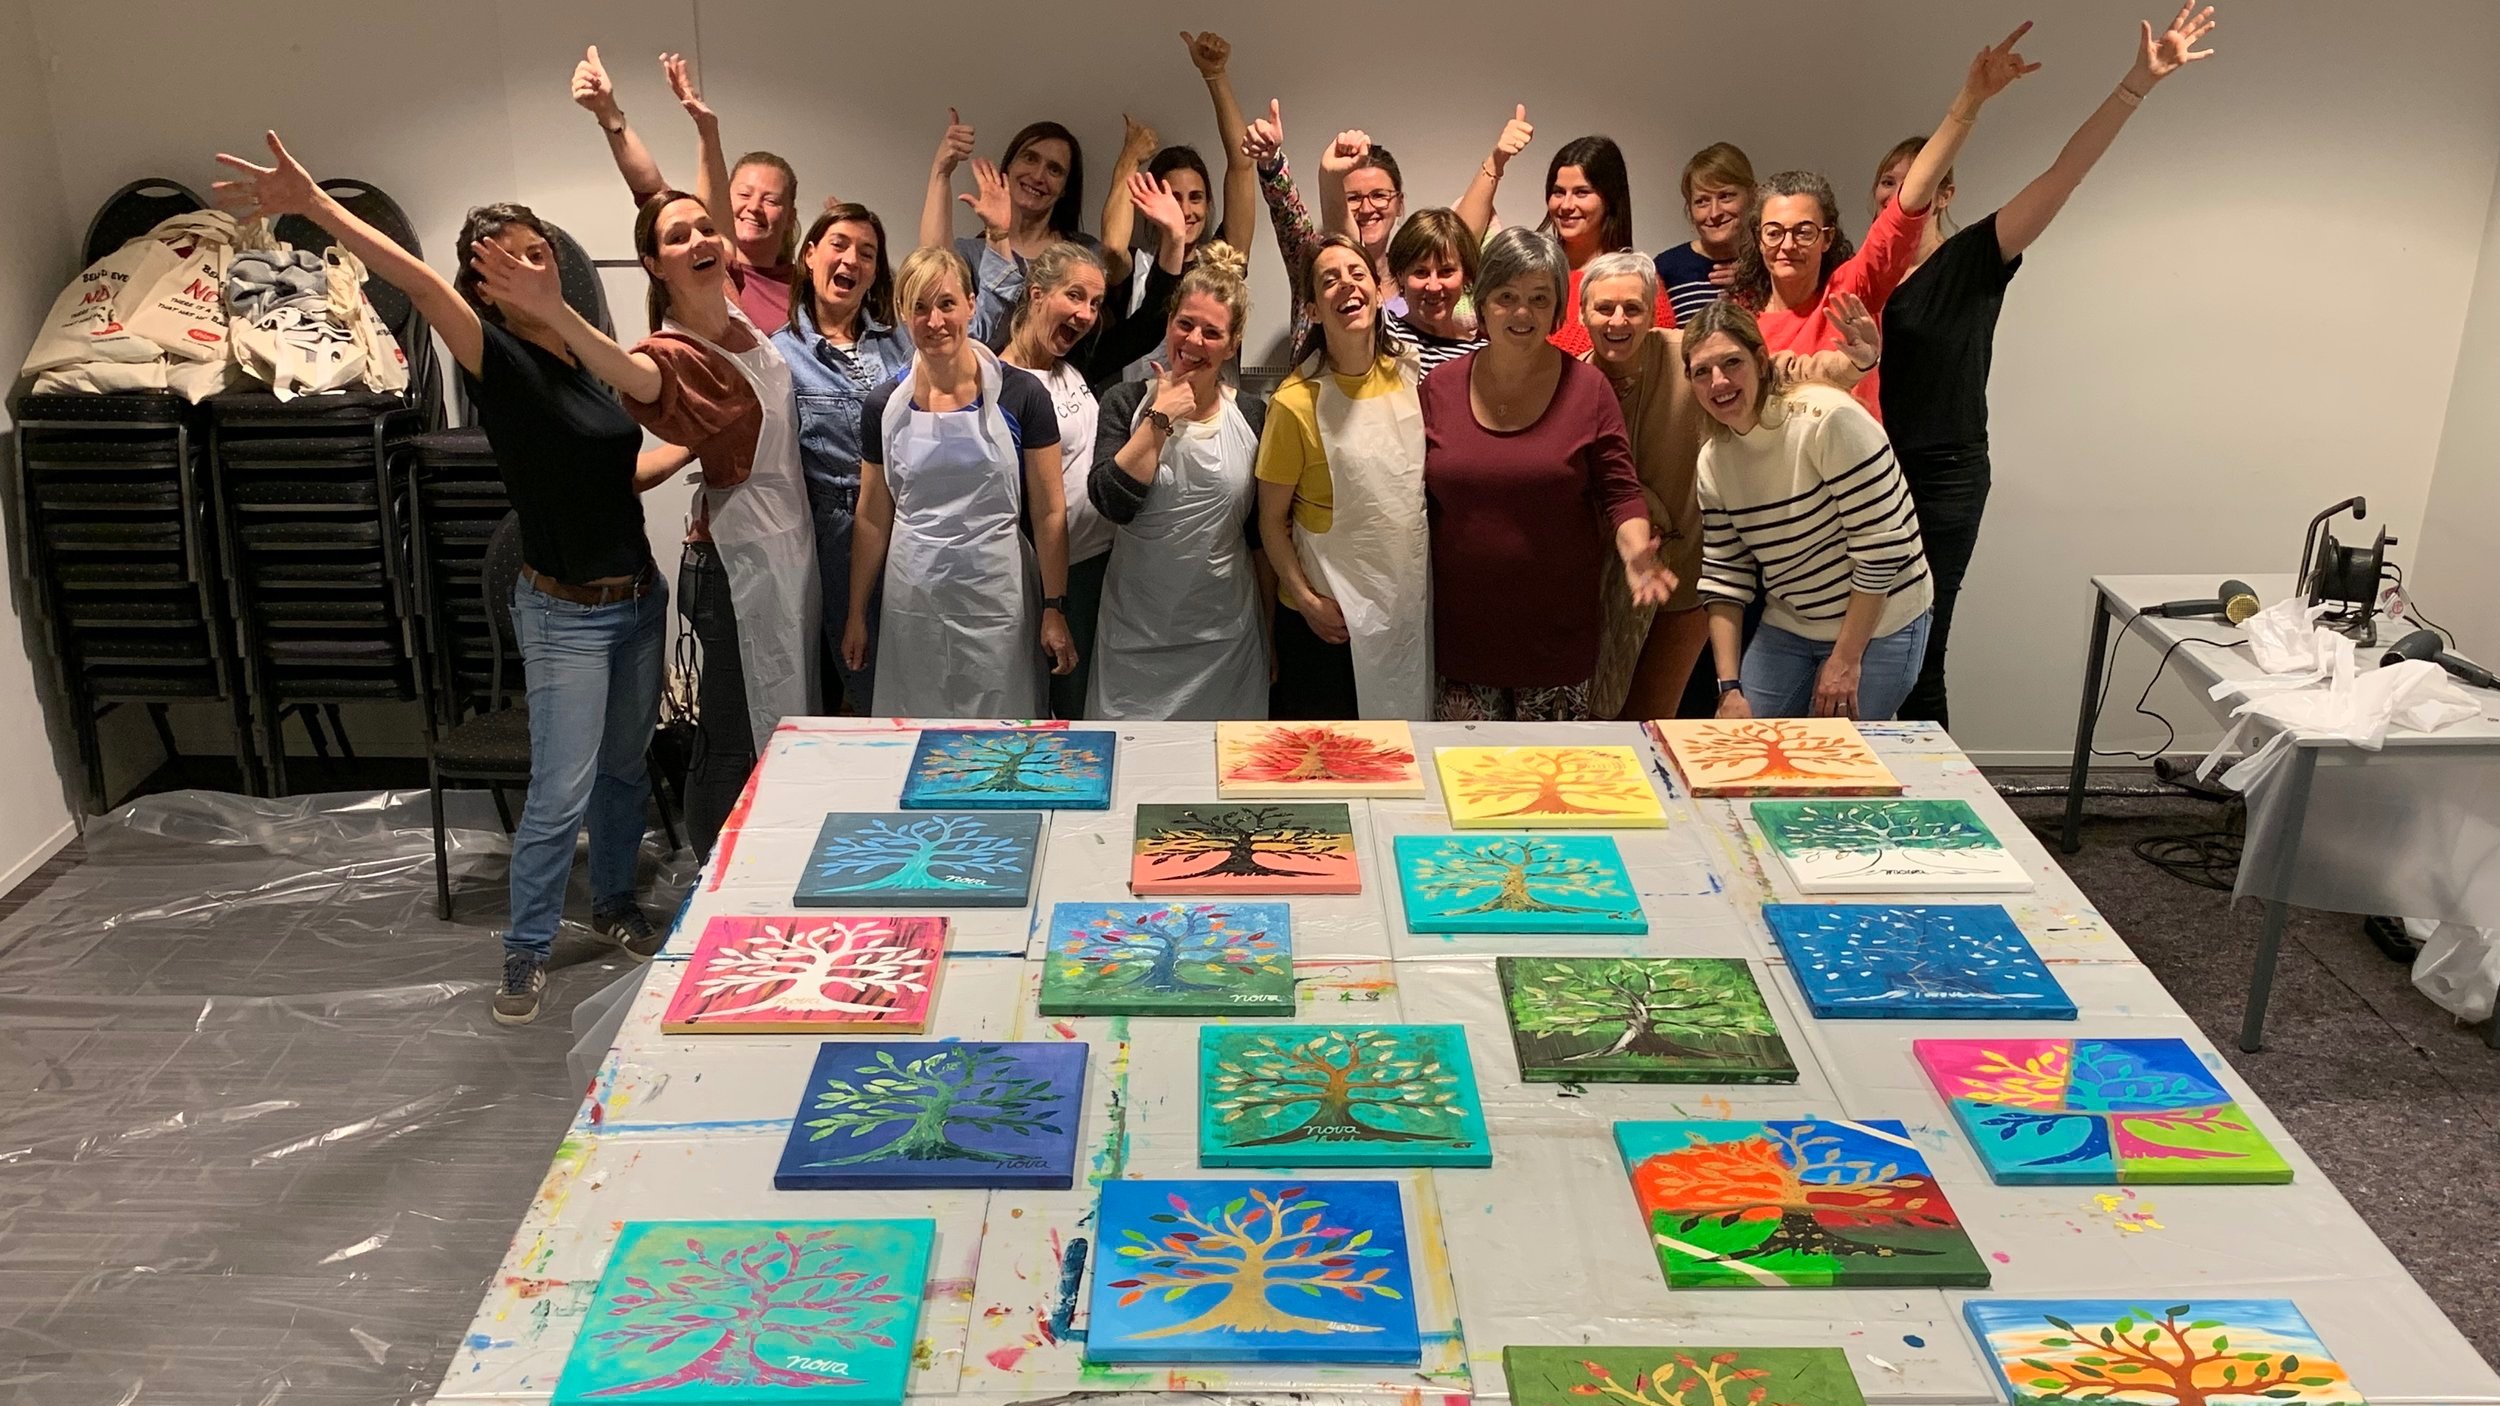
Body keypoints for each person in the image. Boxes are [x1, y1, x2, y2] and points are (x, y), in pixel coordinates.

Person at [213, 132, 676, 1025]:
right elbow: (418, 283)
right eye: (504, 262)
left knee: (623, 772)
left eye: (538, 253)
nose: (527, 269)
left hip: (637, 601)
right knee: (561, 789)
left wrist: (705, 453)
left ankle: (616, 904)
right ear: (483, 283)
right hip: (564, 614)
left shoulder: (589, 354)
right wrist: (312, 206)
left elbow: (611, 469)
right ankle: (527, 949)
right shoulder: (494, 359)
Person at [1874, 5, 2219, 729]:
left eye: (1912, 179)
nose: (1894, 193)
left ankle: (1944, 814)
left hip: (1942, 473)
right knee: (1863, 648)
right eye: (1885, 182)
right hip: (1865, 473)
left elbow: (2066, 174)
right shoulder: (1859, 274)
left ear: (1946, 191)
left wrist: (2136, 85)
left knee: (1921, 646)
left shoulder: (1974, 258)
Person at [476, 190, 818, 861]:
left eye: (705, 229)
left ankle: (771, 864)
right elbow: (626, 373)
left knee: (786, 718)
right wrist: (556, 311)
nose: (698, 241)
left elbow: (667, 192)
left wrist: (664, 121)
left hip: (790, 550)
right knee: (730, 737)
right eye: (677, 237)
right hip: (737, 565)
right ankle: (714, 871)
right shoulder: (666, 354)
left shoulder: (740, 320)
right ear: (653, 264)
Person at [1582, 257, 1884, 722]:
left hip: (1689, 576)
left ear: (1652, 311)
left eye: (1632, 308)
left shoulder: (1694, 356)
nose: (1618, 321)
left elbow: (1782, 371)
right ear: (1583, 313)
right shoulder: (1575, 382)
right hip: (1613, 576)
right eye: (1604, 308)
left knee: (1653, 717)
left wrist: (1852, 363)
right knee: (1602, 717)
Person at [775, 202, 1024, 714]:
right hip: (847, 531)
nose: (852, 260)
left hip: (936, 535)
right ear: (809, 255)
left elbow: (966, 305)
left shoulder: (900, 338)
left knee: (966, 687)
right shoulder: (781, 354)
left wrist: (999, 236)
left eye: (867, 252)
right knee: (882, 692)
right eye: (839, 245)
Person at [1422, 228, 1670, 722]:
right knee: (1469, 785)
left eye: (1539, 299)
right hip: (1462, 640)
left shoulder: (1589, 388)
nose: (1522, 312)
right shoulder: (1438, 389)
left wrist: (1636, 552)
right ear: (1483, 302)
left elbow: (1620, 494)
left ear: (1558, 309)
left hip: (1557, 642)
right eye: (1507, 296)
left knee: (1551, 791)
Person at [1731, 22, 2038, 418]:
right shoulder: (1740, 316)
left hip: (1853, 477)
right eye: (1773, 232)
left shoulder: (1851, 289)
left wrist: (1969, 102)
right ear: (1758, 238)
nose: (1787, 245)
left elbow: (1906, 206)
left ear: (1826, 238)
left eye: (1803, 231)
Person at [845, 247, 1077, 717]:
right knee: (917, 735)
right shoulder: (883, 406)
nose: (935, 321)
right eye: (920, 307)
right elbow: (872, 516)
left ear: (972, 304)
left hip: (998, 600)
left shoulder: (1021, 395)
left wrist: (1054, 605)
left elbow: (1050, 512)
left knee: (1001, 741)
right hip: (914, 602)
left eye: (947, 304)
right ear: (903, 315)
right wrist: (855, 612)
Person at [1685, 300, 1932, 722]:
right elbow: (1726, 577)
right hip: (1793, 622)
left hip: (1881, 621)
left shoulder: (1826, 420)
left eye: (1732, 363)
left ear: (1761, 361)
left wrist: (1845, 660)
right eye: (1702, 372)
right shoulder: (1713, 461)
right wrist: (1729, 690)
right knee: (1747, 749)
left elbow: (1882, 551)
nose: (1719, 382)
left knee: (1841, 762)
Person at [1000, 184, 1190, 717]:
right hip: (1051, 577)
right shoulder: (1000, 384)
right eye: (1074, 297)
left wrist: (1173, 236)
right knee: (1061, 706)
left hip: (1105, 563)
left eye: (1096, 303)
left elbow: (1152, 321)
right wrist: (1053, 601)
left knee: (1099, 702)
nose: (1085, 314)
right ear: (1037, 294)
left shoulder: (1072, 364)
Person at [1086, 244, 1272, 720]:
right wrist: (1159, 419)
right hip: (1135, 638)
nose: (1193, 341)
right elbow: (1112, 501)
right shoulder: (1125, 404)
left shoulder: (1252, 416)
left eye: (1212, 332)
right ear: (1169, 325)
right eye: (1185, 324)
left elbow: (1259, 538)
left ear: (1232, 345)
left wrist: (1269, 633)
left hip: (1223, 641)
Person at [1257, 234, 1432, 721]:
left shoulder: (1411, 377)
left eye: (1357, 274)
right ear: (1312, 309)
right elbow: (1271, 522)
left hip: (1400, 609)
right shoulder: (1293, 403)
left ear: (1380, 292)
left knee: (1398, 754)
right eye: (1328, 280)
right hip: (1324, 621)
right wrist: (1309, 603)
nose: (1346, 286)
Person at [573, 47, 801, 331]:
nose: (753, 207)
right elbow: (648, 187)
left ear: (791, 215)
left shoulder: (808, 285)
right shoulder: (702, 262)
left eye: (770, 199)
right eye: (743, 194)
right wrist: (609, 114)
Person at [1097, 31, 1258, 380]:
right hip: (1142, 418)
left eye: (1195, 197)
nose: (1185, 210)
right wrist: (1130, 158)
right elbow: (1111, 244)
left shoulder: (1222, 261)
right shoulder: (1137, 270)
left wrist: (1215, 75)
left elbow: (1243, 164)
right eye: (1172, 196)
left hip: (1212, 422)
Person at [1462, 126, 1672, 355]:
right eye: (1558, 192)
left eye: (1582, 192)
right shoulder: (1532, 268)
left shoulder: (1637, 282)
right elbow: (1456, 243)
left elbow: (1659, 366)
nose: (1566, 205)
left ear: (1609, 199)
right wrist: (1496, 162)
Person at [1240, 98, 1404, 302]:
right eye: (1353, 198)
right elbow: (1286, 209)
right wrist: (1270, 159)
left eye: (1379, 195)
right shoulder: (1313, 262)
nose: (1366, 208)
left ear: (1400, 205)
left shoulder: (1418, 280)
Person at [921, 111, 1093, 262]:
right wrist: (941, 172)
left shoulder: (1083, 254)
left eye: (1054, 169)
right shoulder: (973, 254)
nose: (1038, 176)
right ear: (1010, 166)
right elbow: (931, 270)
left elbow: (1116, 255)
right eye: (1030, 158)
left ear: (1065, 188)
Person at [1654, 142, 1756, 325]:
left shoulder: (1771, 264)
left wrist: (1756, 280)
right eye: (1702, 201)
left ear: (1752, 195)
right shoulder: (1666, 268)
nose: (1714, 213)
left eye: (1726, 196)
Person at [1381, 209, 1483, 374]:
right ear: (1400, 275)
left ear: (1466, 275)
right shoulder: (1383, 336)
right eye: (1421, 273)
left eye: (1446, 271)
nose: (1434, 286)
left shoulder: (1482, 357)